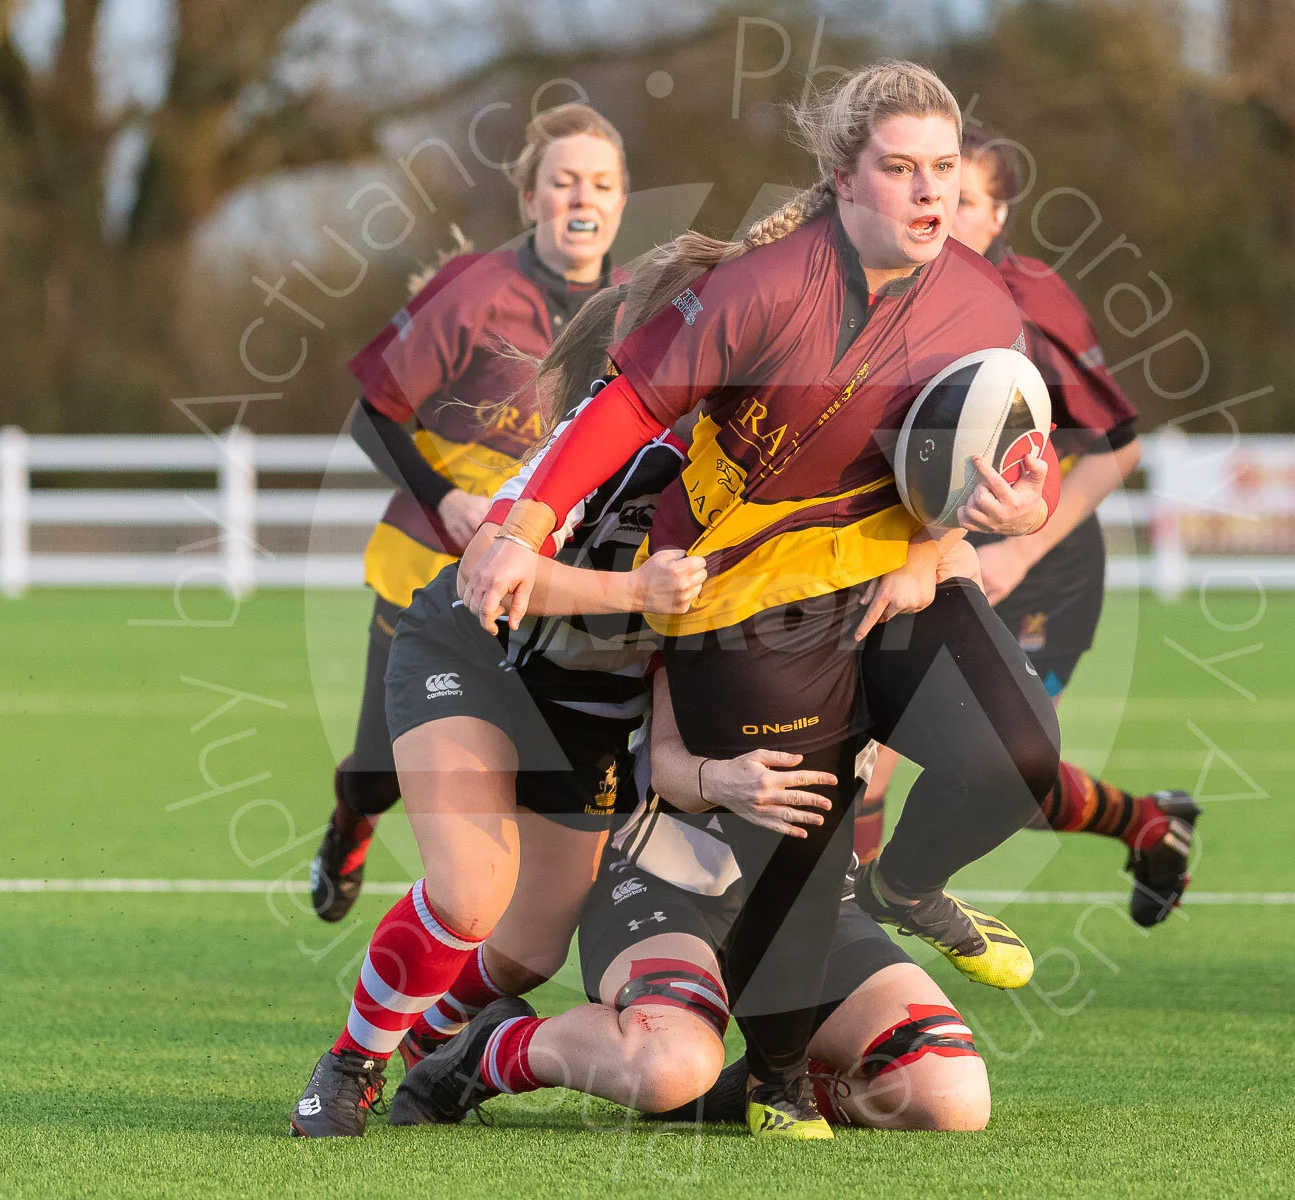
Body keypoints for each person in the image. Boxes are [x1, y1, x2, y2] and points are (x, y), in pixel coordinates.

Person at [459, 61, 1062, 1138]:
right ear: (842, 178)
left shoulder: (973, 303)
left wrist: (993, 518)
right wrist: (527, 528)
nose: (929, 193)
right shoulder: (743, 324)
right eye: (900, 169)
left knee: (1009, 781)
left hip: (860, 672)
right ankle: (728, 1073)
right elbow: (627, 409)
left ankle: (879, 930)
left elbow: (1012, 447)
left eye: (943, 171)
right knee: (765, 882)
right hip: (711, 742)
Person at [289, 392, 705, 1138]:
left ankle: (430, 1042)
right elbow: (491, 576)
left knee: (527, 950)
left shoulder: (773, 484)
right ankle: (352, 1064)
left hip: (590, 717)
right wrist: (636, 594)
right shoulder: (610, 439)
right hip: (474, 655)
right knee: (470, 893)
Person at [390, 661, 992, 1135]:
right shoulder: (735, 579)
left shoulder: (885, 592)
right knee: (668, 1065)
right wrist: (720, 781)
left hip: (806, 897)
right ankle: (494, 1049)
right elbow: (670, 763)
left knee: (947, 1096)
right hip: (668, 876)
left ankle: (752, 1085)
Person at [854, 128, 1200, 927]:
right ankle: (1148, 821)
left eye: (964, 196)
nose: (936, 206)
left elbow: (1119, 447)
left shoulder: (1030, 295)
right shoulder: (898, 290)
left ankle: (852, 949)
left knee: (985, 767)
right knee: (928, 761)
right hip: (944, 554)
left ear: (1000, 214)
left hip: (1044, 568)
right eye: (923, 185)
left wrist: (1021, 546)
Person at [310, 103, 630, 922]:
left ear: (621, 200)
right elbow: (370, 415)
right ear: (531, 197)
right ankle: (352, 817)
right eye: (562, 181)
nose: (580, 197)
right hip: (433, 566)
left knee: (542, 767)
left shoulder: (639, 307)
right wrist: (446, 498)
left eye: (599, 182)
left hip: (548, 581)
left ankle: (505, 946)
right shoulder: (477, 291)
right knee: (384, 767)